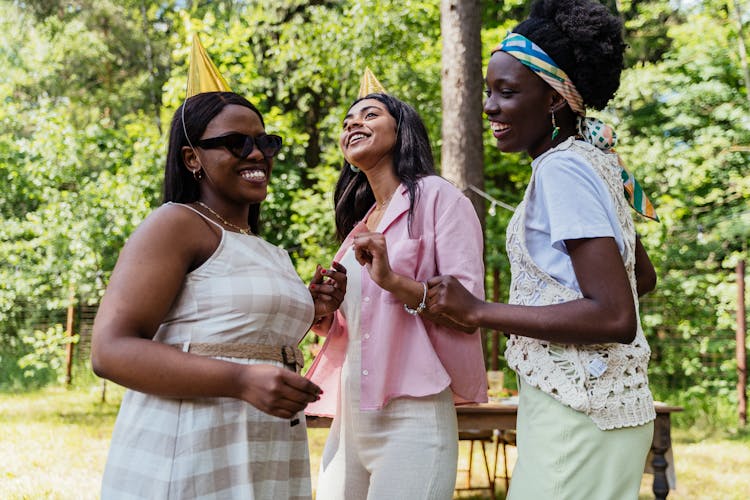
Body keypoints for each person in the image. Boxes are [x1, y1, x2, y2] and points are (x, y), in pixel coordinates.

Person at [425, 0, 658, 498]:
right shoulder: (591, 161)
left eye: (507, 92)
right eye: (489, 91)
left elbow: (617, 315)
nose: (489, 106)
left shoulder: (562, 169)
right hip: (599, 409)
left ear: (554, 100)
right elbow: (642, 279)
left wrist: (480, 310)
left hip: (577, 413)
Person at [91, 88, 346, 499]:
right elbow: (109, 350)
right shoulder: (176, 223)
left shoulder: (268, 249)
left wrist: (309, 308)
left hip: (266, 453)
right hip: (191, 454)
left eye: (265, 142)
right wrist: (241, 380)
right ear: (192, 158)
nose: (258, 154)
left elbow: (234, 340)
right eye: (237, 143)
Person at [304, 87, 488, 500]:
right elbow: (360, 325)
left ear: (401, 130)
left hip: (414, 418)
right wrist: (324, 311)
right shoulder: (361, 222)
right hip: (349, 423)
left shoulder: (441, 198)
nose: (354, 123)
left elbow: (469, 307)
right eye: (348, 121)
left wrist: (394, 281)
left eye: (369, 115)